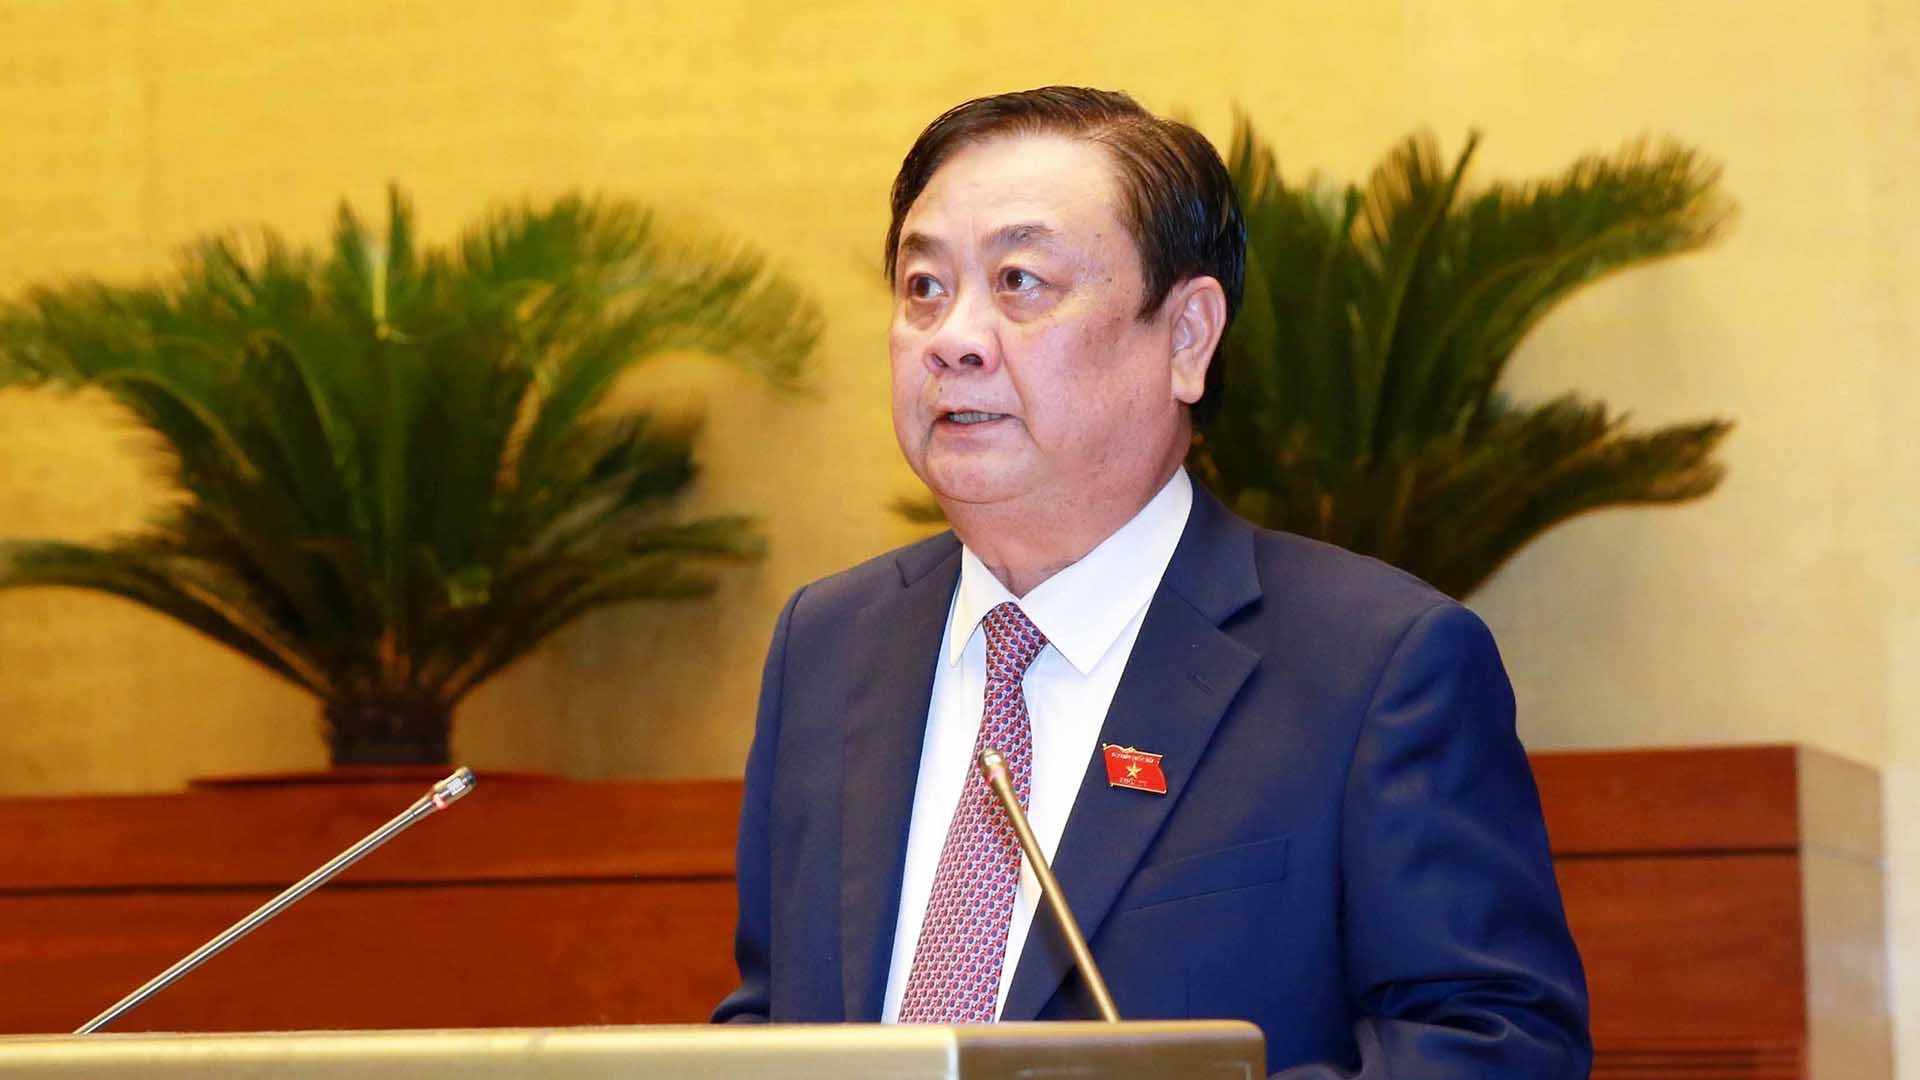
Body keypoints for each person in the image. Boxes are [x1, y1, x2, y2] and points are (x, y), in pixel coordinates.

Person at [714, 86, 1590, 1078]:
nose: (953, 337)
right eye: (924, 287)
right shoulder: (829, 643)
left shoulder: (1375, 668)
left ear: (1186, 338)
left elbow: (1493, 1047)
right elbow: (774, 1020)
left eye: (1019, 281)